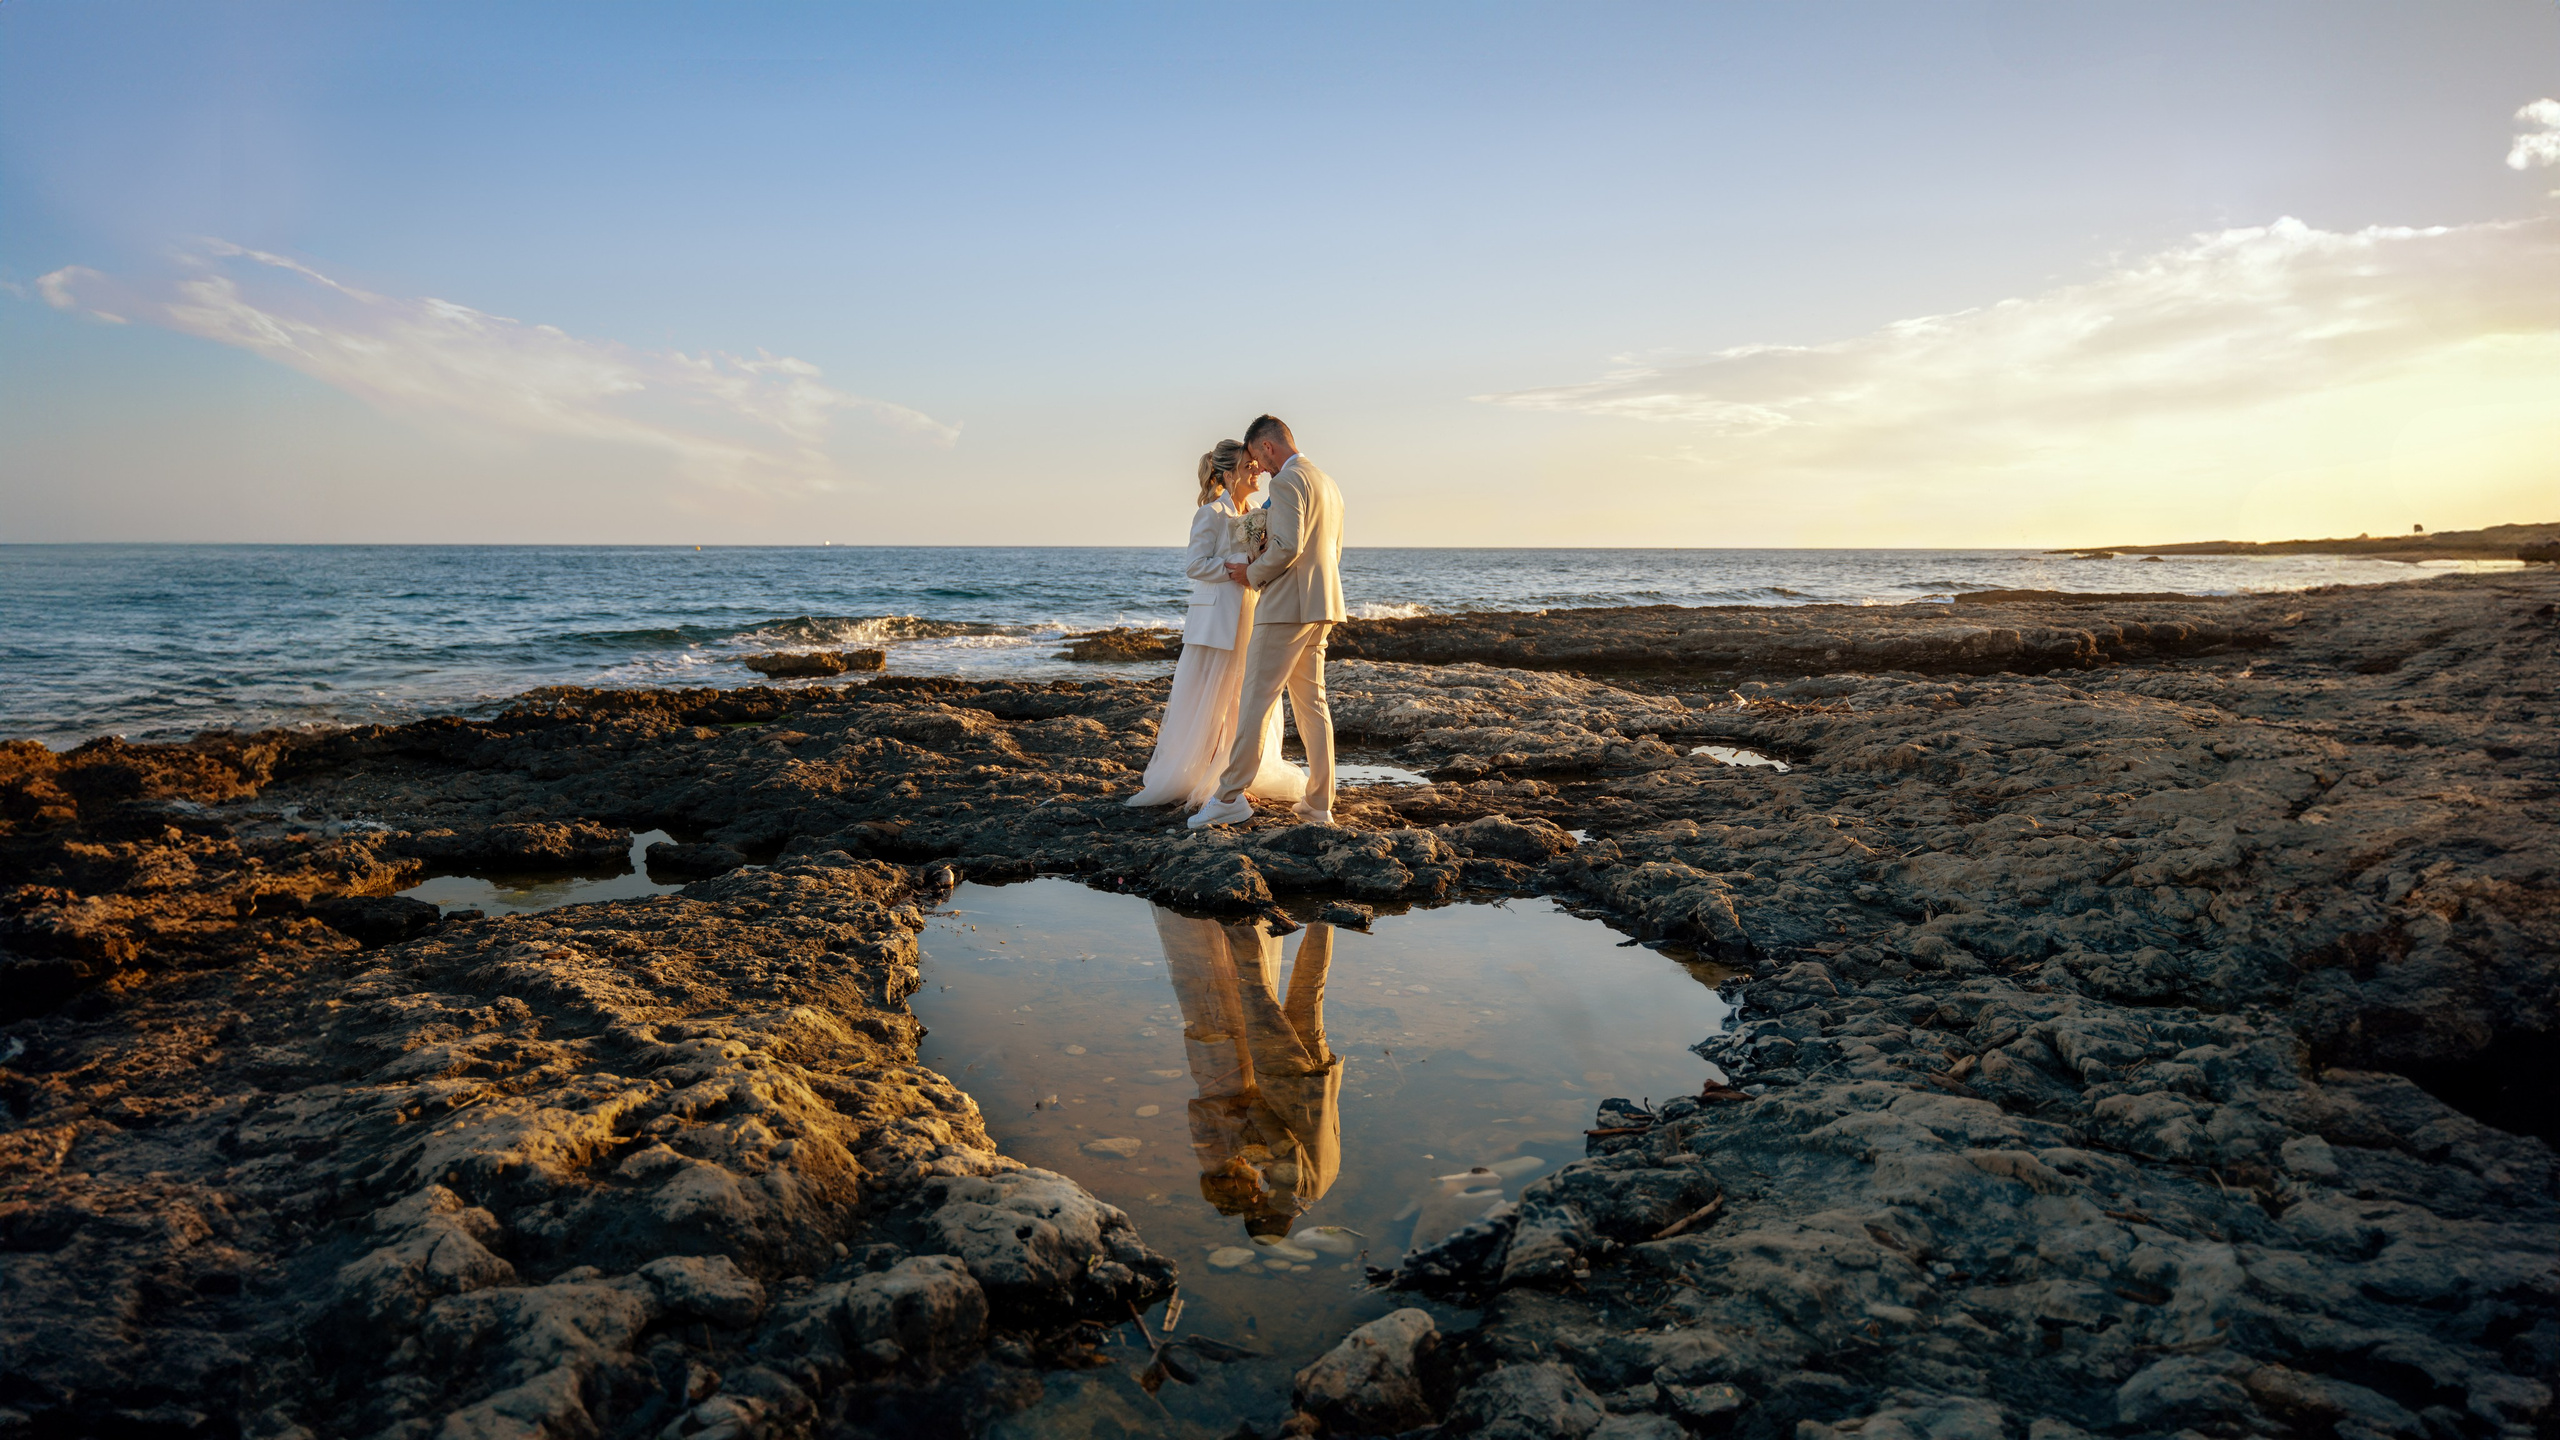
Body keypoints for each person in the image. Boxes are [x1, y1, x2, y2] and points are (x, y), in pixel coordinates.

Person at [1123, 441, 1310, 808]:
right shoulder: (1211, 513)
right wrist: (1235, 567)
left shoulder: (1257, 509)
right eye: (1249, 466)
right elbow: (1195, 564)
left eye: (1256, 465)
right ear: (1229, 474)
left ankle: (1235, 773)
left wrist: (1259, 563)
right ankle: (1203, 775)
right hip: (1215, 621)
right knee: (1209, 700)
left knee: (1243, 697)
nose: (1257, 471)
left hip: (1251, 614)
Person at [1191, 414, 1345, 829]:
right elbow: (1331, 550)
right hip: (1322, 605)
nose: (1259, 468)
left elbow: (1287, 546)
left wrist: (1251, 574)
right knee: (1314, 706)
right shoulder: (1328, 483)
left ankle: (1227, 798)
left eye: (1258, 457)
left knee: (1255, 703)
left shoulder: (1287, 481)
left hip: (1285, 609)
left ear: (1267, 446)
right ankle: (1319, 804)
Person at [1150, 907, 1341, 1236]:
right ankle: (1238, 914)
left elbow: (1325, 1132)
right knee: (1256, 991)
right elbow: (1285, 1147)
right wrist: (1255, 1111)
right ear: (1266, 1218)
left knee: (1310, 991)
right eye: (1255, 1209)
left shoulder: (1322, 1185)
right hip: (1285, 1079)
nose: (1256, 1199)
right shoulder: (1285, 1194)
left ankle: (1328, 913)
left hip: (1317, 1081)